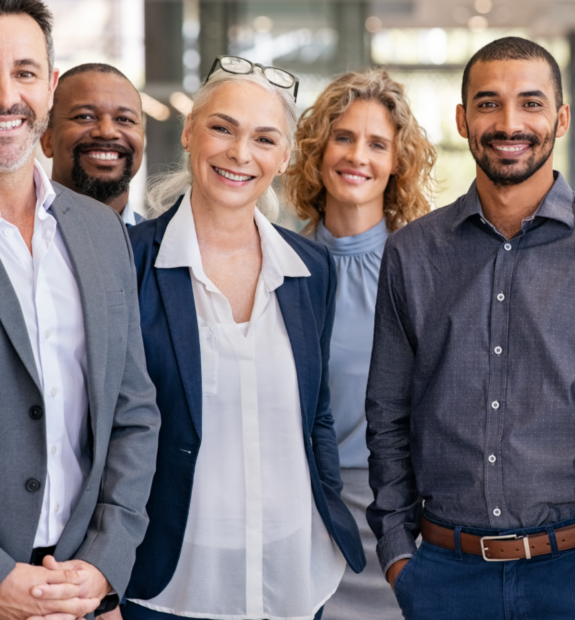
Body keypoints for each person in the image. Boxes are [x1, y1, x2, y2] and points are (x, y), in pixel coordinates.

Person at [366, 36, 575, 620]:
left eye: (531, 104)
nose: (509, 123)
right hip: (442, 578)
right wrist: (396, 554)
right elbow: (387, 415)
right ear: (462, 119)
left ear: (560, 118)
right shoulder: (412, 253)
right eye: (488, 104)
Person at [120, 57, 364, 620]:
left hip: (292, 574)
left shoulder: (310, 268)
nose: (239, 153)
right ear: (188, 131)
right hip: (168, 581)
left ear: (284, 158)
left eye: (263, 138)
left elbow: (316, 411)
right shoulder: (128, 261)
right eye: (222, 127)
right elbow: (104, 429)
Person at [0, 1, 160, 619]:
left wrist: (101, 565)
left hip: (82, 595)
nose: (7, 95)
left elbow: (133, 414)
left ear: (48, 85)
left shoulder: (97, 229)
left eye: (24, 72)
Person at [284, 68, 435, 620]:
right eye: (343, 137)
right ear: (318, 150)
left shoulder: (423, 270)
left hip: (399, 518)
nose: (357, 156)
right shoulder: (276, 264)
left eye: (377, 144)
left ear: (397, 162)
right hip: (299, 517)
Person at [40, 63, 145, 226]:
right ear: (46, 140)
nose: (107, 132)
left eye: (124, 119)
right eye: (84, 117)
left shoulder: (164, 246)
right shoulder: (14, 242)